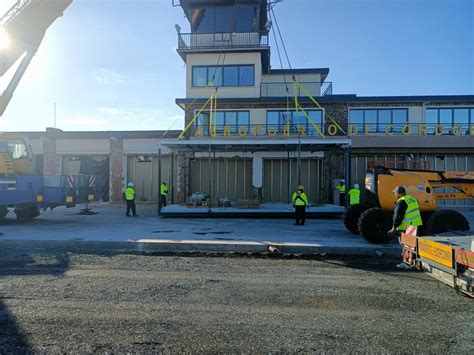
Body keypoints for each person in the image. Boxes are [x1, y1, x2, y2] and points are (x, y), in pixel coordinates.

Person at [387, 185, 422, 269]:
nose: (394, 194)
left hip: (406, 227)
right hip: (415, 225)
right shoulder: (412, 199)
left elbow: (398, 217)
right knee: (412, 246)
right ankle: (412, 262)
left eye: (395, 192)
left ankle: (406, 264)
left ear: (398, 193)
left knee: (406, 246)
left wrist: (393, 228)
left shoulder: (401, 202)